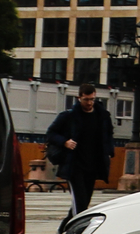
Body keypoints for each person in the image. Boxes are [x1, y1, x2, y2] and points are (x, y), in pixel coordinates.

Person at [45, 85, 115, 214]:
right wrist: (65, 142)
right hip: (74, 165)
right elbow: (51, 133)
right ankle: (77, 231)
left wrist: (109, 152)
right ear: (79, 98)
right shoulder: (69, 116)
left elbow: (108, 135)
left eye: (92, 99)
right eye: (86, 99)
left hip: (93, 165)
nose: (89, 103)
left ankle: (64, 228)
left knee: (84, 201)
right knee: (80, 202)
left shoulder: (102, 116)